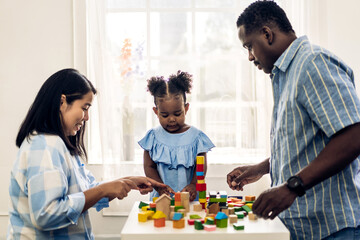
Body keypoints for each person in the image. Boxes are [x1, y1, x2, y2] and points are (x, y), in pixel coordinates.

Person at [227, 1, 360, 239]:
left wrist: (292, 187)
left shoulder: (313, 64)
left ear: (267, 34)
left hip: (333, 229)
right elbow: (306, 142)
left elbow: (353, 137)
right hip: (302, 228)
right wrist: (262, 168)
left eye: (249, 46)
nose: (249, 57)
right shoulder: (286, 74)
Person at [7, 68, 166, 239]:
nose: (87, 117)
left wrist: (127, 182)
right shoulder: (45, 146)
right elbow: (46, 215)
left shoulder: (61, 145)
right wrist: (103, 190)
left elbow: (86, 191)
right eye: (85, 108)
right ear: (62, 102)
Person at [139, 70, 215, 202]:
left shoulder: (196, 137)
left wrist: (194, 184)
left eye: (177, 113)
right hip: (162, 199)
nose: (172, 119)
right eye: (165, 115)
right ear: (156, 112)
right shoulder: (153, 137)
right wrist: (159, 186)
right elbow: (149, 167)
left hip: (190, 200)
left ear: (186, 109)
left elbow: (201, 167)